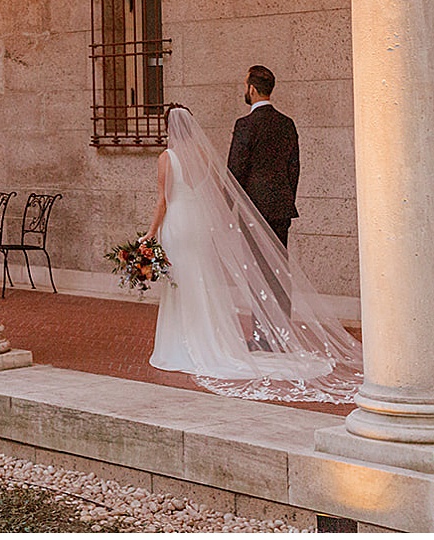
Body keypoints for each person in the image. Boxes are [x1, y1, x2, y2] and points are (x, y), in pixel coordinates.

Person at [145, 106, 361, 403]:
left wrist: (150, 233)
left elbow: (162, 201)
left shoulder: (166, 158)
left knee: (181, 282)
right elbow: (218, 189)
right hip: (200, 225)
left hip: (179, 225)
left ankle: (184, 344)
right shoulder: (206, 155)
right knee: (204, 281)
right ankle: (213, 339)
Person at [227, 65, 299, 247]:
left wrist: (228, 205)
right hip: (281, 208)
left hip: (253, 208)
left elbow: (236, 169)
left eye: (245, 85)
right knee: (279, 267)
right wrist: (287, 197)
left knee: (254, 267)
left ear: (252, 89)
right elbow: (294, 167)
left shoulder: (245, 124)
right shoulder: (287, 123)